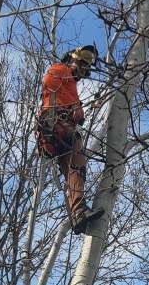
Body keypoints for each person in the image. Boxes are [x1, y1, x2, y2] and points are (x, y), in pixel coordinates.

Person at [35, 44, 104, 234]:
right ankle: (78, 211)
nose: (83, 69)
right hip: (55, 121)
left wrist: (80, 110)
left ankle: (78, 214)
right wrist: (66, 111)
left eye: (85, 67)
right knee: (77, 159)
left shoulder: (71, 86)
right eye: (81, 63)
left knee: (75, 171)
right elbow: (49, 82)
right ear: (72, 59)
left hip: (59, 128)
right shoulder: (60, 69)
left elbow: (77, 114)